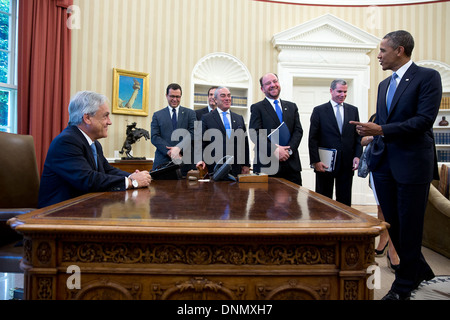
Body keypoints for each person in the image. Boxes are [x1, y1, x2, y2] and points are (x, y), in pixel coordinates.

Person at [351, 30, 442, 300]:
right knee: (395, 226)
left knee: (410, 225)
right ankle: (421, 269)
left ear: (399, 50)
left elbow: (423, 121)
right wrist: (370, 133)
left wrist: (380, 130)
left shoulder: (427, 77)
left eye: (382, 50)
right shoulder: (383, 85)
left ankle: (403, 284)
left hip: (413, 165)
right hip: (384, 165)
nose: (378, 55)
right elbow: (384, 122)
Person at [38, 91, 152, 208]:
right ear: (87, 118)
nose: (109, 122)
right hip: (58, 214)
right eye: (105, 116)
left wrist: (132, 176)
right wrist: (132, 182)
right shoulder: (66, 141)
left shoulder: (94, 143)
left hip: (84, 208)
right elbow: (88, 180)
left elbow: (107, 170)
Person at [308, 79, 362, 206]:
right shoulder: (319, 110)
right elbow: (312, 138)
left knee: (344, 201)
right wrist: (315, 161)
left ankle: (344, 224)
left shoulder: (353, 110)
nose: (342, 95)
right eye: (339, 91)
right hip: (325, 163)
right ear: (331, 91)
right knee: (323, 200)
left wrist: (358, 156)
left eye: (345, 92)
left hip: (347, 163)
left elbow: (358, 136)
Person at [249, 73, 303, 185]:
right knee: (266, 202)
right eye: (268, 83)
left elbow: (298, 131)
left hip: (291, 165)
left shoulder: (292, 107)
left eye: (275, 81)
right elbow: (255, 134)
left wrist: (288, 150)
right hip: (267, 166)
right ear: (262, 89)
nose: (273, 85)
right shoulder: (257, 108)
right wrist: (274, 150)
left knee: (294, 202)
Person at [362, 114, 399, 272]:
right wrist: (375, 135)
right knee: (381, 208)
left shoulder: (401, 118)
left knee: (395, 211)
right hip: (378, 167)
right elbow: (363, 141)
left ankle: (394, 250)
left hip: (398, 166)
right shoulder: (376, 117)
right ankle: (383, 241)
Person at [199, 86, 250, 177]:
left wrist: (246, 164)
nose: (227, 98)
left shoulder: (239, 118)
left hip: (236, 168)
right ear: (215, 100)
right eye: (223, 96)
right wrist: (200, 160)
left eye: (229, 96)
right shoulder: (206, 118)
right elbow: (201, 143)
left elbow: (244, 144)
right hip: (215, 168)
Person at [150, 83, 197, 176]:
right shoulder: (157, 115)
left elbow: (193, 133)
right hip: (163, 162)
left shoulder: (190, 113)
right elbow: (155, 137)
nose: (175, 99)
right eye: (172, 96)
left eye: (177, 97)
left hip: (185, 162)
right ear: (166, 96)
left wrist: (179, 148)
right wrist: (170, 152)